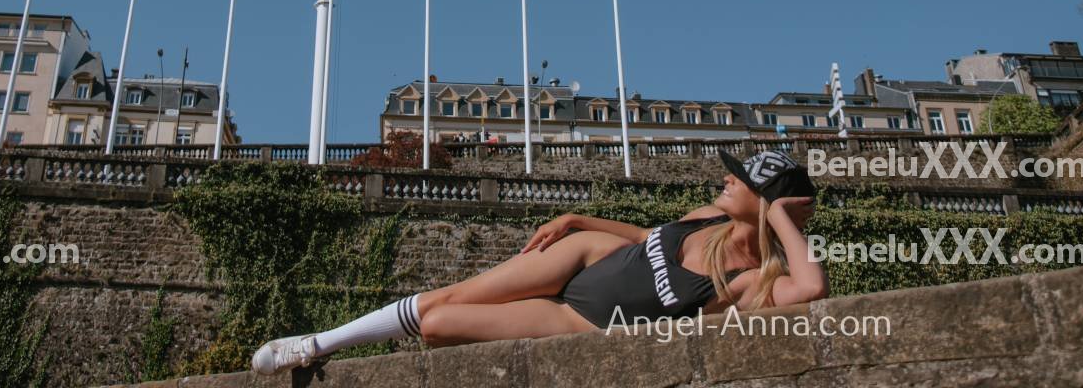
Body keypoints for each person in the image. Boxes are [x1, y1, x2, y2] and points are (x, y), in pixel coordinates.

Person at [251, 148, 826, 374]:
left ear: (766, 202)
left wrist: (779, 217)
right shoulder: (708, 218)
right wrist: (579, 220)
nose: (728, 178)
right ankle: (316, 344)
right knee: (448, 296)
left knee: (438, 326)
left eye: (743, 180)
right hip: (585, 255)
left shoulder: (752, 281)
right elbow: (646, 238)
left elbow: (810, 290)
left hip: (579, 320)